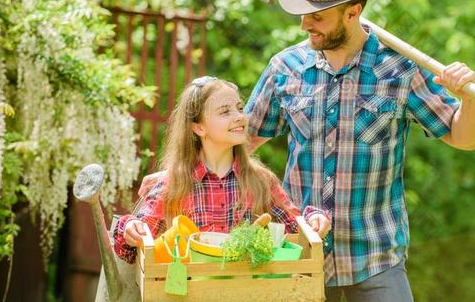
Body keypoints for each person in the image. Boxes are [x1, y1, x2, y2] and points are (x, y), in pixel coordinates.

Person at [245, 0, 475, 301]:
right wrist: (179, 174)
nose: (304, 26)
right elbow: (242, 141)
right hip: (300, 252)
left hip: (375, 258)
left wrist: (469, 98)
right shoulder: (287, 67)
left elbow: (464, 138)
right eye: (303, 15)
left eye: (317, 17)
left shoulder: (400, 69)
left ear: (353, 13)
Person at [113, 76, 330, 264]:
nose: (239, 117)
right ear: (198, 128)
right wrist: (131, 228)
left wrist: (315, 221)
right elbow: (134, 245)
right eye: (225, 111)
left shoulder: (261, 181)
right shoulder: (174, 184)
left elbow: (299, 232)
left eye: (239, 108)